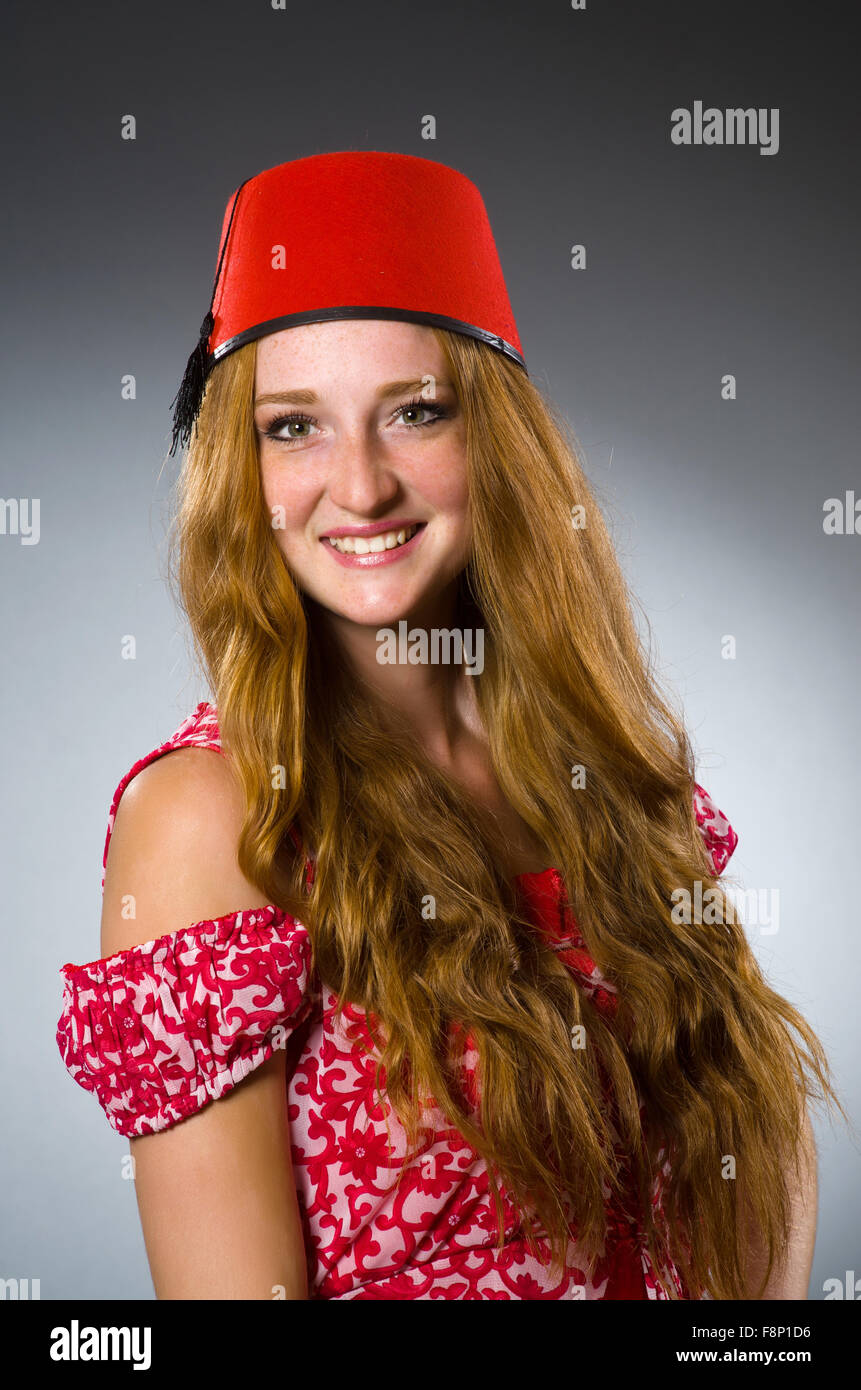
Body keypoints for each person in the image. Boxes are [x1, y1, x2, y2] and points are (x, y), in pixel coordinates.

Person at [56, 150, 839, 1300]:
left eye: (415, 412)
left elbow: (760, 1168)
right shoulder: (212, 821)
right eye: (294, 428)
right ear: (242, 468)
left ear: (501, 446)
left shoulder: (619, 781)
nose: (361, 485)